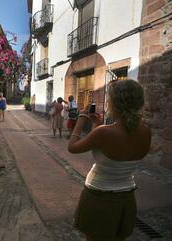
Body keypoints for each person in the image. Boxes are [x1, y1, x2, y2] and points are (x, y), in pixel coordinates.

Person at [68, 79, 151, 241]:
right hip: (127, 196)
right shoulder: (146, 131)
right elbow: (114, 152)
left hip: (99, 197)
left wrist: (80, 120)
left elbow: (72, 147)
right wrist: (97, 125)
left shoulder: (104, 133)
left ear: (114, 103)